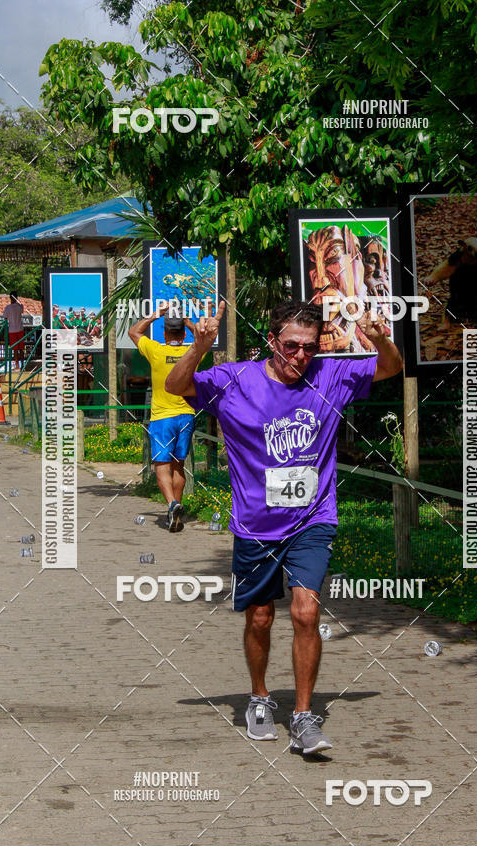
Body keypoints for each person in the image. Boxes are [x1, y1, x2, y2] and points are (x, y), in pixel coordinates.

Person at [165, 300, 403, 753]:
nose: (299, 356)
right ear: (272, 341)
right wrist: (199, 347)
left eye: (308, 348)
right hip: (255, 525)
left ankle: (303, 716)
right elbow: (175, 384)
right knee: (259, 617)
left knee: (306, 612)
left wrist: (379, 337)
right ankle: (258, 698)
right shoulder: (235, 380)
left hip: (314, 518)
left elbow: (390, 369)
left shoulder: (329, 375)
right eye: (291, 346)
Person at [129, 303, 197, 532]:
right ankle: (174, 513)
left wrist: (155, 314)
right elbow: (205, 336)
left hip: (162, 418)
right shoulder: (192, 351)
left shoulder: (156, 350)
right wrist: (189, 322)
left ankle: (172, 504)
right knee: (179, 467)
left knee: (161, 467)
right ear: (184, 333)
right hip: (186, 416)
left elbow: (134, 332)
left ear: (165, 333)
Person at [2, 292, 24, 369]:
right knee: (21, 348)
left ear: (10, 298)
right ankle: (23, 365)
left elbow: (4, 317)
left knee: (14, 349)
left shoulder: (8, 308)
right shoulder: (20, 306)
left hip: (12, 330)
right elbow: (22, 309)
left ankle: (17, 365)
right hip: (20, 329)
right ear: (16, 298)